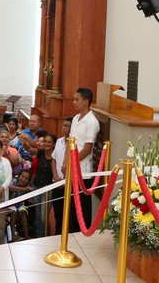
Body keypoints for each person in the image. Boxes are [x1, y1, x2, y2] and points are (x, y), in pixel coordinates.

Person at [67, 87, 100, 228]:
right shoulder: (75, 118)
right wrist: (66, 163)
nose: (74, 102)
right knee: (71, 208)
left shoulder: (91, 122)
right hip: (72, 168)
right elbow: (71, 143)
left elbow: (87, 148)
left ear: (86, 101)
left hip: (83, 172)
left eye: (77, 99)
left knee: (82, 209)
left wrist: (72, 163)